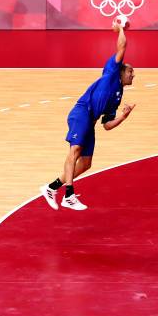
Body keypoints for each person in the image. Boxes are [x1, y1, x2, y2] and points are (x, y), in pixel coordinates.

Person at [40, 21, 136, 211]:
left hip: (90, 122)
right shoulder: (111, 72)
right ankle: (69, 195)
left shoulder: (118, 96)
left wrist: (123, 117)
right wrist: (121, 29)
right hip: (82, 112)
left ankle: (51, 188)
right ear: (121, 71)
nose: (133, 75)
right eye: (131, 71)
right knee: (74, 151)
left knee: (85, 163)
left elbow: (107, 125)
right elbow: (122, 46)